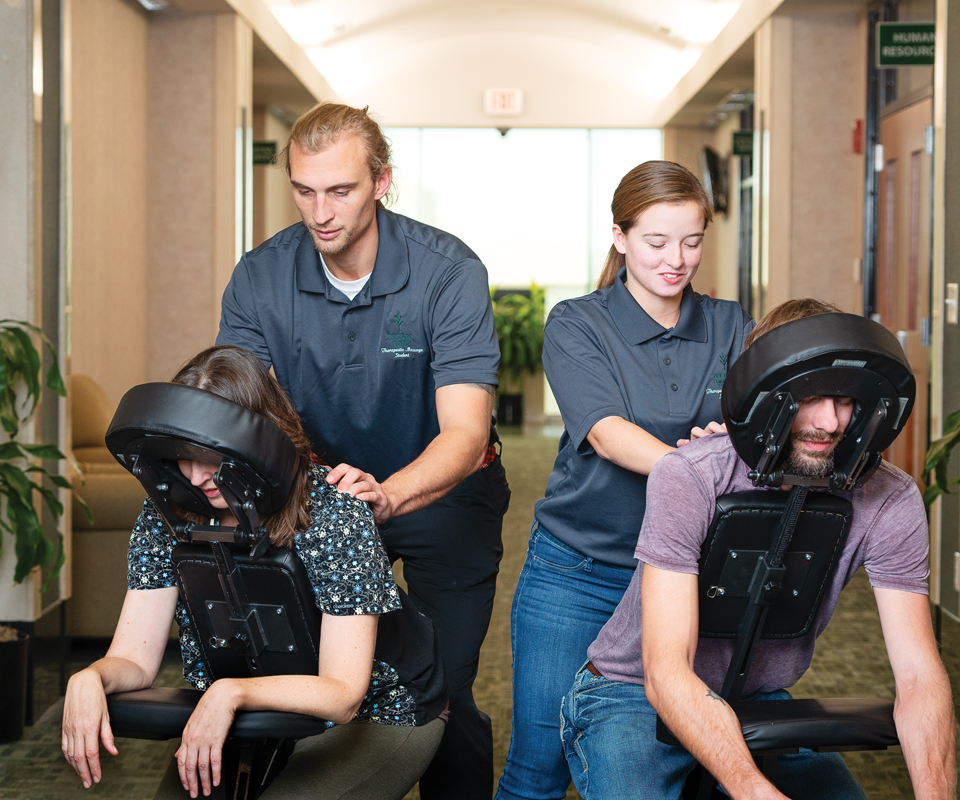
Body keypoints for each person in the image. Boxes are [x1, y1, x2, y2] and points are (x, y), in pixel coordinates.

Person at [216, 103, 509, 799]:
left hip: (443, 494)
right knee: (314, 680)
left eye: (340, 190)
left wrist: (392, 493)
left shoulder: (447, 270)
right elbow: (242, 412)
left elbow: (465, 435)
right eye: (304, 190)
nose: (321, 212)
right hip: (325, 498)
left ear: (381, 182)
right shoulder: (261, 276)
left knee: (442, 684)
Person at [559, 300, 957, 800]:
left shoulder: (890, 497)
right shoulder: (690, 475)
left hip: (755, 696)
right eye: (812, 398)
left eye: (845, 401)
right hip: (630, 693)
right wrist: (753, 790)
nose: (830, 423)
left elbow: (919, 675)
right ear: (767, 396)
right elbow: (666, 672)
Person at [62, 346, 449, 800]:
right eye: (183, 454)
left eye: (212, 455)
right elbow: (135, 660)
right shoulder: (168, 512)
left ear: (259, 443)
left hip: (380, 711)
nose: (196, 474)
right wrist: (91, 677)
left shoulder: (334, 511)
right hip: (248, 706)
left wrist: (232, 693)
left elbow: (343, 694)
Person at [495, 161, 754, 800]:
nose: (676, 260)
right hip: (580, 569)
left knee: (687, 750)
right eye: (656, 242)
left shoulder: (730, 324)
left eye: (692, 242)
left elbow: (754, 435)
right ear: (619, 237)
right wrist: (696, 462)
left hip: (686, 575)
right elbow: (607, 433)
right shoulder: (578, 322)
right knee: (538, 767)